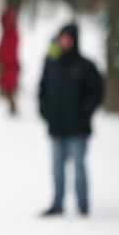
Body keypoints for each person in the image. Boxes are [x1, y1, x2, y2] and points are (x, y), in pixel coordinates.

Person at [39, 23, 103, 217]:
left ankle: (83, 205)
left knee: (79, 167)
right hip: (57, 126)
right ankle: (57, 204)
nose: (64, 41)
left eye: (68, 38)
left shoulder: (85, 66)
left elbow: (97, 92)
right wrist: (46, 112)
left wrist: (85, 112)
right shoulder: (51, 63)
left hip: (78, 128)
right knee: (57, 168)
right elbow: (42, 90)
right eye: (62, 37)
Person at [0, 8, 19, 115]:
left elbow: (11, 51)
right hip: (4, 65)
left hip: (8, 66)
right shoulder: (6, 32)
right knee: (6, 87)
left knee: (9, 88)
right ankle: (10, 108)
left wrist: (3, 62)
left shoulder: (13, 34)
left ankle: (13, 109)